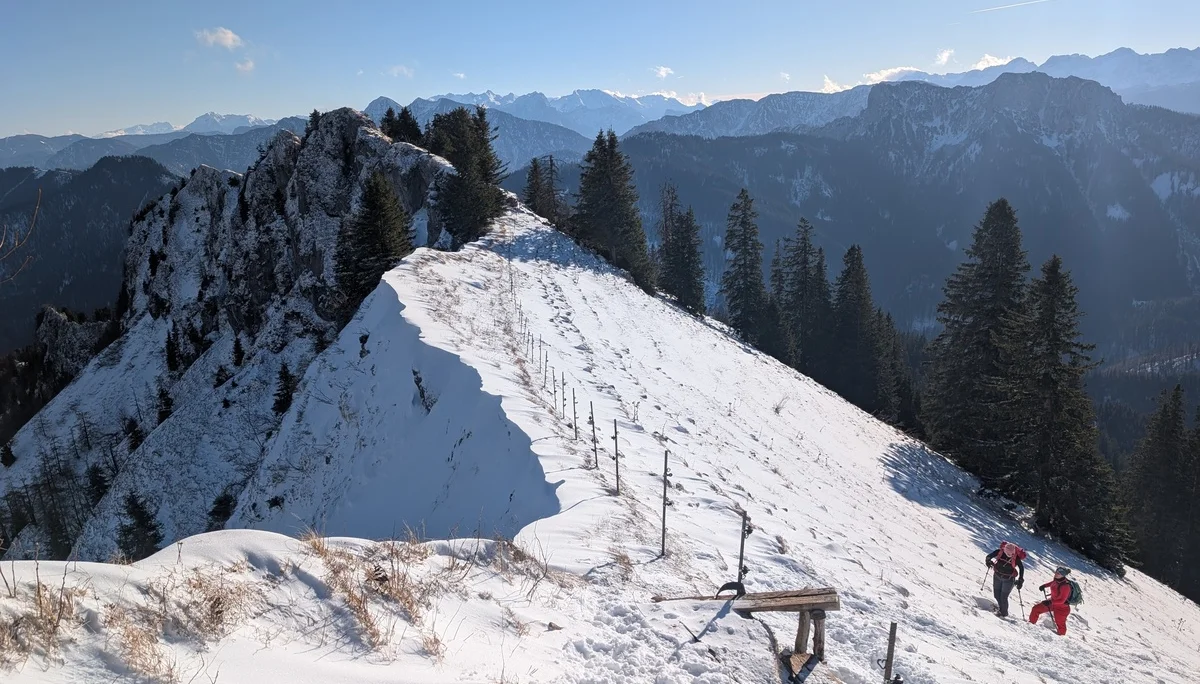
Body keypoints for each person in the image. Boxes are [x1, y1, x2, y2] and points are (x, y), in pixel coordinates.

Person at [985, 541, 1025, 617]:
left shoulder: (1015, 557)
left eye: (1012, 554)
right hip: (997, 576)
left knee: (1003, 597)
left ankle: (1004, 614)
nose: (1010, 555)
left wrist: (1021, 579)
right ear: (1005, 550)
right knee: (996, 595)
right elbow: (989, 556)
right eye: (1008, 554)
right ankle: (1001, 609)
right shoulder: (999, 552)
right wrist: (988, 561)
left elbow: (1021, 568)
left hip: (1009, 580)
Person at [1029, 566, 1073, 635]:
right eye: (1056, 572)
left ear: (1063, 575)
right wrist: (1044, 585)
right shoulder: (1056, 580)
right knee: (1036, 608)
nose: (1056, 574)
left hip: (1062, 608)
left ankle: (1061, 639)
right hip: (1052, 603)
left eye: (1058, 573)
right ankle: (1030, 626)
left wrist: (1050, 602)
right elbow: (1052, 583)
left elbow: (1062, 601)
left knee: (1060, 624)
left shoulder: (1066, 586)